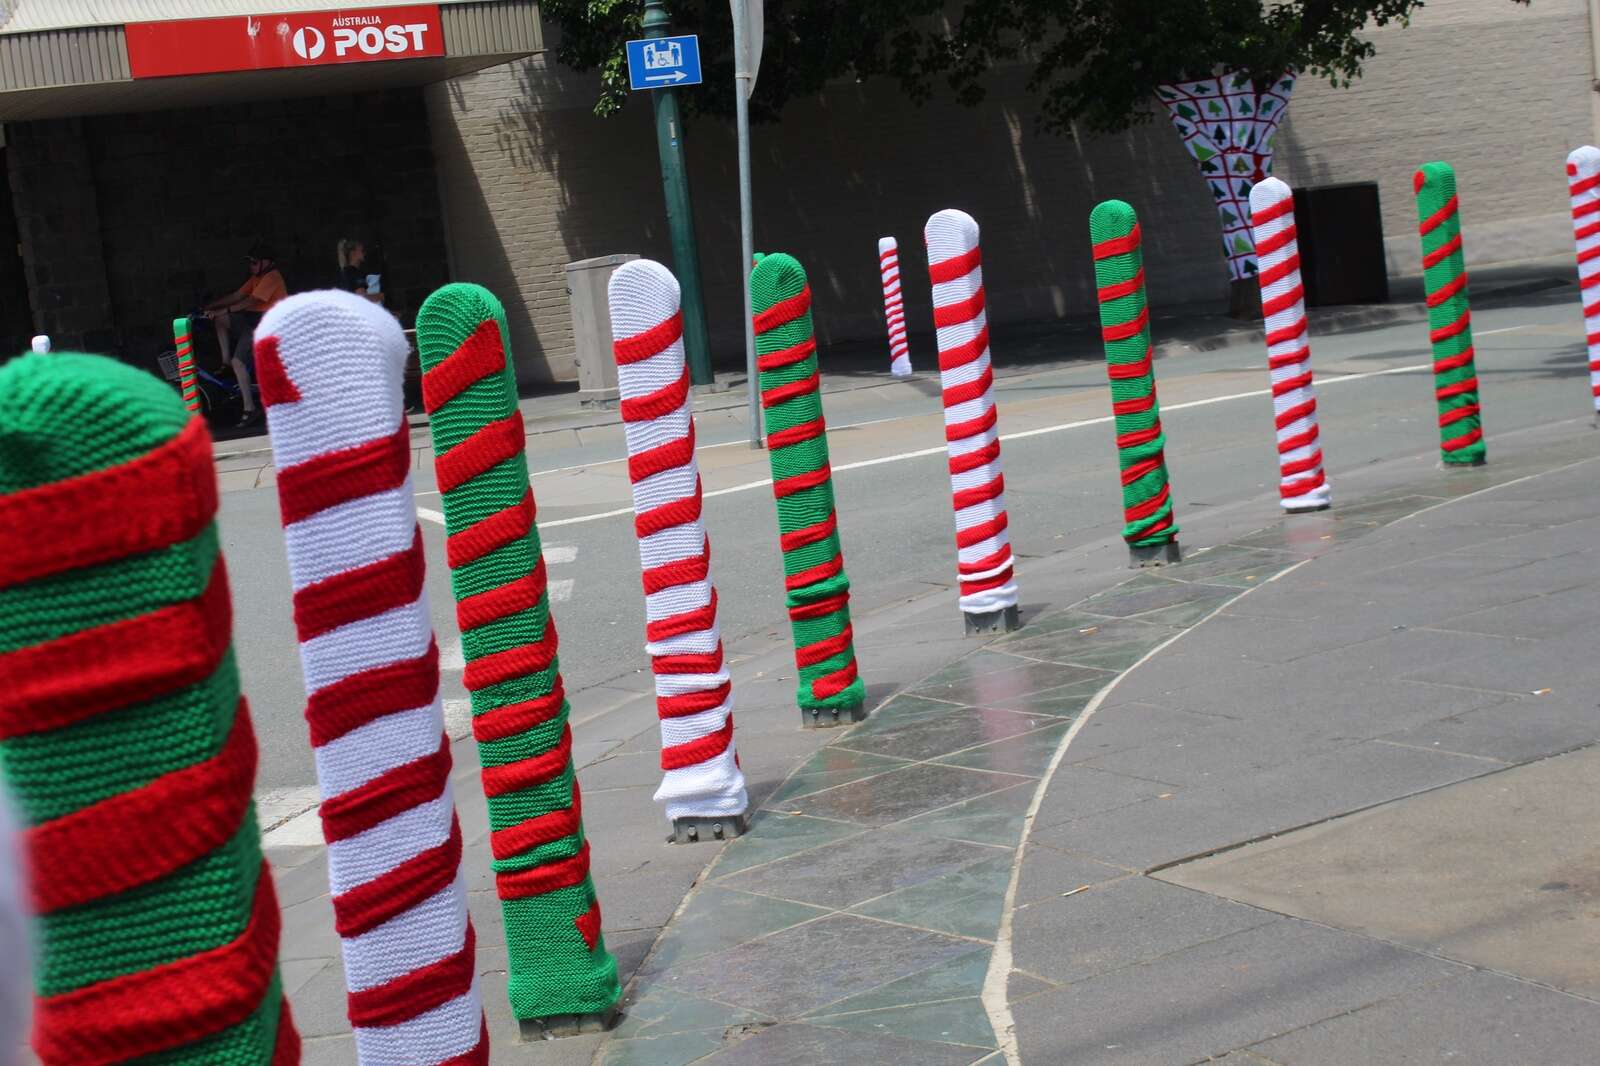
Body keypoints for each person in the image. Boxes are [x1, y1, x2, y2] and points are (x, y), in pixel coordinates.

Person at [203, 242, 286, 428]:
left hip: (267, 325)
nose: (251, 266)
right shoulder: (257, 277)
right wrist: (210, 308)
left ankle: (250, 409)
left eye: (255, 263)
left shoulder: (272, 277)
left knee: (238, 362)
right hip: (254, 322)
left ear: (267, 262)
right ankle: (225, 363)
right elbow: (236, 295)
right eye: (250, 263)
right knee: (221, 320)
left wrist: (223, 310)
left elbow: (249, 301)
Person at [336, 238, 384, 305]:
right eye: (362, 250)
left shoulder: (346, 272)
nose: (364, 253)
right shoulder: (354, 272)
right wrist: (382, 296)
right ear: (353, 253)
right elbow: (362, 298)